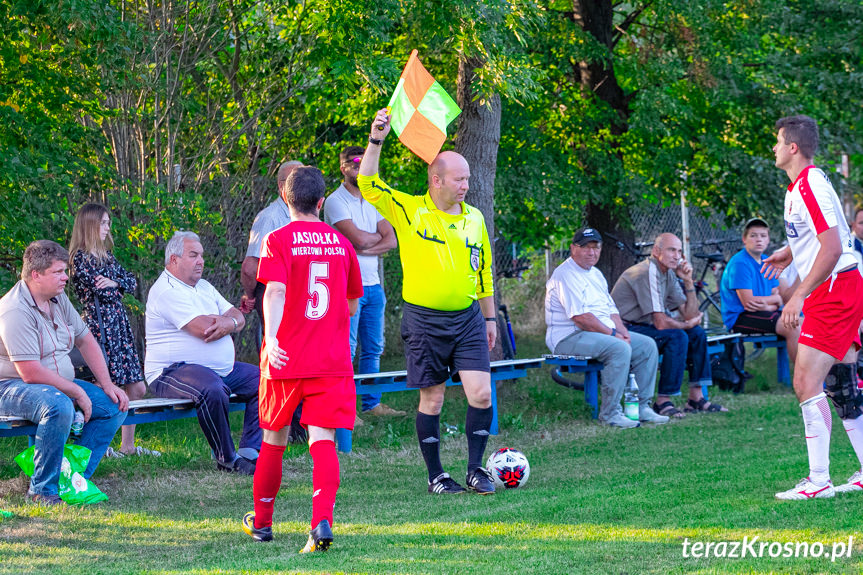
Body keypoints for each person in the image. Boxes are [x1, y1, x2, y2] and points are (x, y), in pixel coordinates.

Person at [356, 109, 498, 496]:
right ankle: (437, 476)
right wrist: (377, 138)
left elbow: (483, 272)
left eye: (468, 178)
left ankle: (475, 469)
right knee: (433, 398)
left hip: (468, 319)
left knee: (481, 393)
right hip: (424, 321)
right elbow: (368, 183)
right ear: (436, 180)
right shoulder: (409, 209)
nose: (466, 185)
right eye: (459, 178)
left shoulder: (475, 220)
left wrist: (489, 319)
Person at [242, 167, 363, 552]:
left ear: (286, 198)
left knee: (273, 440)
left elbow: (274, 291)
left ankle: (262, 524)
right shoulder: (342, 244)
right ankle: (321, 521)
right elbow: (352, 302)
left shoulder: (277, 239)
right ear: (322, 202)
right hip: (330, 360)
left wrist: (274, 336)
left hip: (286, 357)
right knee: (323, 440)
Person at [761, 115, 863, 500]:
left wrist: (799, 294)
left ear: (792, 148)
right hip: (840, 286)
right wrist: (791, 252)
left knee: (806, 383)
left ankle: (818, 481)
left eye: (777, 141)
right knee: (839, 384)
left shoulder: (810, 185)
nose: (773, 148)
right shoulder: (801, 186)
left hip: (833, 290)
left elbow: (834, 248)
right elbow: (824, 234)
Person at [0, 240, 127, 505]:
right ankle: (42, 491)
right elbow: (31, 372)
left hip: (53, 383)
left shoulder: (57, 299)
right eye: (58, 272)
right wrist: (76, 391)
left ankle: (72, 480)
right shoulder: (14, 310)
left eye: (65, 271)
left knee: (114, 404)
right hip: (10, 386)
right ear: (36, 275)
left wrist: (107, 384)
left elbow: (85, 340)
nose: (66, 277)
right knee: (58, 405)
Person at [145, 231, 261, 475]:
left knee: (264, 381)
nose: (201, 261)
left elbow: (239, 317)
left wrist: (229, 323)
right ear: (174, 260)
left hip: (218, 370)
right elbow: (205, 330)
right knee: (212, 389)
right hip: (170, 371)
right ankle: (227, 459)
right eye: (193, 255)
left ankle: (250, 452)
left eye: (202, 256)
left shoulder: (205, 287)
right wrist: (228, 322)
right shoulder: (166, 290)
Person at [545, 228, 667, 428]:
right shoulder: (565, 274)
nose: (592, 252)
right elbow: (582, 319)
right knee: (618, 348)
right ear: (573, 248)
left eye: (596, 247)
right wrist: (614, 335)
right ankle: (611, 414)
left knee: (647, 346)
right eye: (586, 247)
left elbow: (611, 310)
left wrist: (623, 332)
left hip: (596, 335)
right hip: (568, 338)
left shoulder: (596, 274)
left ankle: (642, 407)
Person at [69, 203, 158, 457]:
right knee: (106, 385)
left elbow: (131, 281)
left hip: (119, 327)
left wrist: (116, 283)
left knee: (136, 388)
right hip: (99, 327)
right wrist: (116, 286)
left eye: (108, 223)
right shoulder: (79, 258)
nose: (108, 228)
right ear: (90, 225)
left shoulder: (107, 257)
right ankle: (97, 443)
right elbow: (102, 291)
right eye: (104, 223)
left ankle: (127, 445)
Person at [324, 145, 403, 423]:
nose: (358, 169)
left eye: (362, 163)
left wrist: (364, 247)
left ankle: (371, 403)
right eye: (353, 164)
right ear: (343, 168)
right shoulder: (336, 201)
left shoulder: (373, 198)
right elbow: (358, 238)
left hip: (374, 285)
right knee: (347, 347)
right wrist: (370, 242)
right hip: (345, 287)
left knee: (373, 347)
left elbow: (391, 239)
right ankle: (345, 408)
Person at [611, 233, 726, 418]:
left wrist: (688, 281)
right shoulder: (647, 271)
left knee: (696, 333)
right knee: (677, 336)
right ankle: (663, 401)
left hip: (644, 327)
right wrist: (686, 324)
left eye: (679, 251)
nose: (677, 256)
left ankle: (696, 398)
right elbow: (661, 323)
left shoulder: (668, 273)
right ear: (656, 251)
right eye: (671, 250)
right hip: (624, 330)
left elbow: (690, 314)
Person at [240, 160, 306, 442]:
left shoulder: (304, 212)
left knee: (301, 359)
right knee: (280, 361)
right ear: (282, 187)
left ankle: (299, 427)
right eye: (295, 179)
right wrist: (250, 295)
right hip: (275, 298)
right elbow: (250, 265)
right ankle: (279, 426)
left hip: (300, 299)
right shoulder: (270, 218)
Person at [719, 218, 800, 363]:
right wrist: (772, 302)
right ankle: (802, 379)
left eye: (763, 236)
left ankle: (817, 376)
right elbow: (749, 303)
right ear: (744, 239)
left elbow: (778, 298)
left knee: (805, 322)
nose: (759, 240)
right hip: (740, 317)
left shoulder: (767, 261)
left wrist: (768, 304)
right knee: (792, 327)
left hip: (763, 312)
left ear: (768, 239)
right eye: (753, 235)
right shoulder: (740, 263)